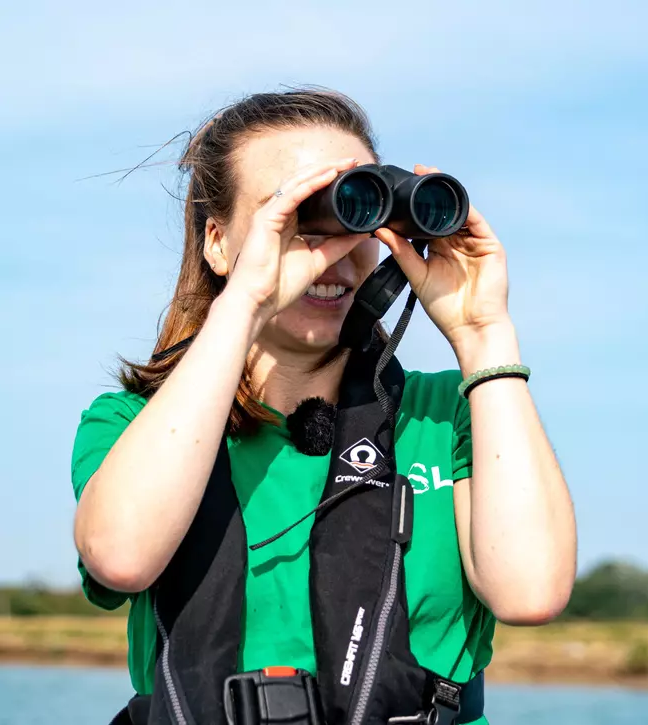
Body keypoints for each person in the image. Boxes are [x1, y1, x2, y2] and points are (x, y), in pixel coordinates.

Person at [71, 89, 577, 724]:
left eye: (356, 211)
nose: (329, 244)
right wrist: (246, 303)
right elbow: (120, 556)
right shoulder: (133, 423)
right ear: (220, 242)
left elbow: (530, 590)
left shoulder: (449, 413)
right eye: (294, 213)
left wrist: (484, 335)